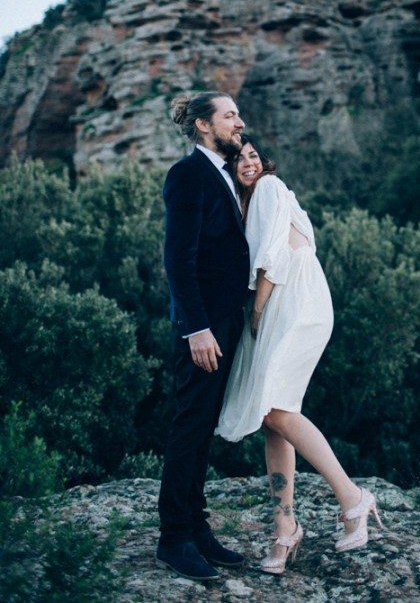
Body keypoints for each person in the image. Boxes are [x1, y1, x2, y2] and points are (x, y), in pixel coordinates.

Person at [216, 135, 382, 574]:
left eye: (253, 155)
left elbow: (273, 257)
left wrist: (256, 310)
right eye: (238, 159)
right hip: (281, 304)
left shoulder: (269, 187)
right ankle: (284, 527)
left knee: (275, 411)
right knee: (274, 416)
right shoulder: (246, 203)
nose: (248, 163)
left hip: (294, 303)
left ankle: (353, 498)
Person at [156, 91, 250, 582]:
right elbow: (178, 258)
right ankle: (174, 539)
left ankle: (197, 528)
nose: (240, 122)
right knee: (190, 425)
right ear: (203, 125)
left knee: (204, 424)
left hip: (224, 322)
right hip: (202, 328)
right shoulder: (187, 174)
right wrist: (196, 328)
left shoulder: (225, 173)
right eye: (230, 115)